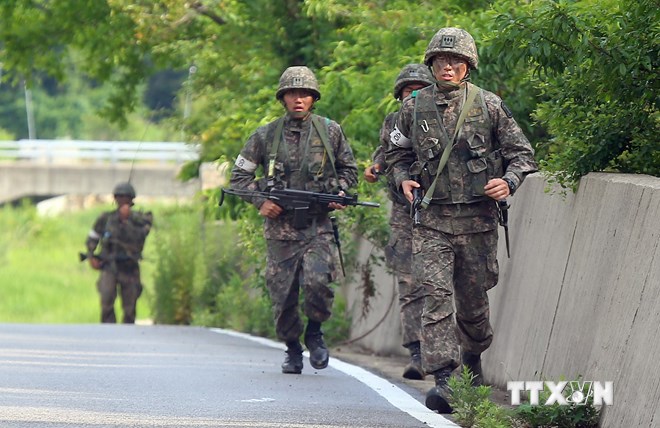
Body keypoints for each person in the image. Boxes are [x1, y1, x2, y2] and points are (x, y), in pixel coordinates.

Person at [385, 28, 538, 413]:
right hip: (432, 220)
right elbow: (395, 154)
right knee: (435, 299)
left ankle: (472, 356)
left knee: (473, 306)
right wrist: (402, 178)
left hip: (477, 221)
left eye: (456, 61)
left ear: (468, 66)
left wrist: (508, 181)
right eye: (440, 61)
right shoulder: (412, 107)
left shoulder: (489, 106)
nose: (448, 67)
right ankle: (445, 379)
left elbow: (523, 154)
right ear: (431, 64)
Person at [229, 66, 358, 374]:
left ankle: (315, 332)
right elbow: (238, 177)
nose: (298, 99)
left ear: (313, 98)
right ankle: (291, 349)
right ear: (283, 98)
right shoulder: (265, 135)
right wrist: (261, 201)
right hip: (280, 231)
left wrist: (339, 192)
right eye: (292, 93)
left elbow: (349, 172)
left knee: (317, 282)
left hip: (318, 226)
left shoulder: (331, 132)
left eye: (304, 94)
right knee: (282, 294)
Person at [364, 64, 434, 380]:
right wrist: (375, 167)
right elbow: (386, 152)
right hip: (404, 214)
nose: (414, 95)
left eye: (420, 89)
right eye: (409, 91)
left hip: (440, 212)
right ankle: (417, 352)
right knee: (408, 283)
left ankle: (446, 354)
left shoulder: (444, 118)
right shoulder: (394, 123)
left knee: (440, 286)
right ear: (400, 95)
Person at [85, 182, 153, 324]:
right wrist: (91, 256)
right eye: (119, 196)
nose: (122, 200)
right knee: (106, 299)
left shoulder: (141, 219)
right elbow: (93, 237)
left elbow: (140, 236)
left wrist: (127, 220)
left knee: (130, 306)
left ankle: (127, 334)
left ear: (131, 199)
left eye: (125, 197)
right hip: (109, 265)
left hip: (130, 266)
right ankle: (108, 332)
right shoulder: (106, 218)